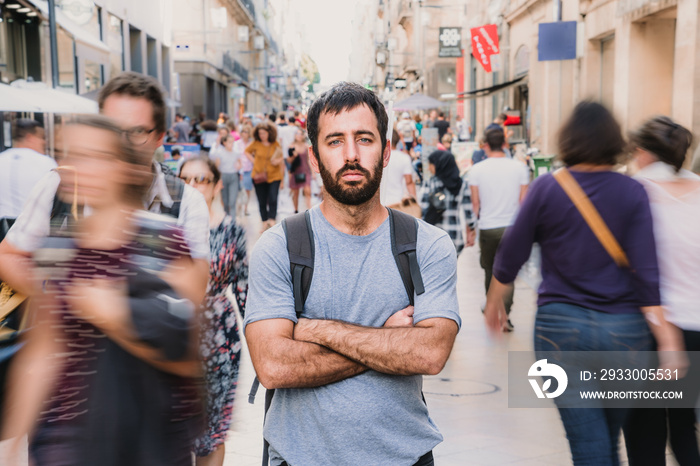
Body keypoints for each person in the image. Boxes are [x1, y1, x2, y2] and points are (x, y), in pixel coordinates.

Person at [244, 81, 460, 466]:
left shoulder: (426, 245)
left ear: (387, 150)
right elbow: (274, 365)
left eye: (364, 139)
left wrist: (315, 330)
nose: (351, 155)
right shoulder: (280, 247)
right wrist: (389, 342)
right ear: (313, 157)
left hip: (403, 457)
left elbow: (429, 353)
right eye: (335, 141)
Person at [484, 102, 684, 465]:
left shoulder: (547, 187)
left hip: (559, 332)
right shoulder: (632, 191)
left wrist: (495, 299)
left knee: (591, 443)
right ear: (614, 141)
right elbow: (647, 273)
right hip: (625, 336)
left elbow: (511, 251)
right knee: (605, 440)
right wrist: (669, 339)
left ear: (569, 139)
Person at [2, 115, 205, 465]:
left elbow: (189, 356)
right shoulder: (57, 245)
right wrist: (12, 444)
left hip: (145, 436)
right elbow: (45, 348)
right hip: (67, 436)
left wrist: (119, 317)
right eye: (70, 155)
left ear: (123, 168)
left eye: (94, 156)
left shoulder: (163, 240)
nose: (78, 167)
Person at [0, 71, 210, 321]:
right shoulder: (59, 184)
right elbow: (9, 255)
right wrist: (59, 299)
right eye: (112, 129)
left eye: (137, 132)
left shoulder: (187, 202)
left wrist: (106, 312)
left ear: (159, 137)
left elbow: (193, 295)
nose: (123, 144)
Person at [623, 117, 700, 466]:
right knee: (685, 425)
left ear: (641, 152)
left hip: (648, 327)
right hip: (696, 327)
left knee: (644, 431)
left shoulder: (634, 190)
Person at [179, 157, 248, 466]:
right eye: (185, 180)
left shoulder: (232, 230)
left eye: (201, 180)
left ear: (217, 185)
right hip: (173, 330)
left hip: (218, 335)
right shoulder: (166, 227)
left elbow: (245, 292)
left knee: (212, 432)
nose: (192, 187)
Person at [469, 127, 529, 330]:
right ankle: (506, 317)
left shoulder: (476, 170)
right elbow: (524, 202)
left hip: (488, 227)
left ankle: (494, 312)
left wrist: (473, 226)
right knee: (508, 273)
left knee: (489, 271)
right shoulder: (519, 168)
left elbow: (475, 205)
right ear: (505, 144)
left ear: (486, 145)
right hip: (513, 228)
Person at [0, 119, 55, 227]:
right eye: (41, 137)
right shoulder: (46, 163)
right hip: (33, 229)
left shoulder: (1, 160)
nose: (44, 142)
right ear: (29, 137)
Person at [419, 150, 474, 255]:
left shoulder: (430, 183)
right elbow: (469, 212)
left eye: (431, 164)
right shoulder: (462, 184)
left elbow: (423, 209)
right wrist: (471, 229)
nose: (429, 168)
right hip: (455, 237)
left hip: (434, 239)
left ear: (440, 164)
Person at [245, 122, 284, 231]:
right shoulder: (256, 143)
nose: (262, 135)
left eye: (264, 133)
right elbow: (246, 151)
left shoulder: (275, 143)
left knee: (273, 197)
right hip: (259, 175)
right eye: (260, 133)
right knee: (261, 200)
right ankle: (264, 221)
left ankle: (272, 220)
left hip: (274, 175)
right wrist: (254, 161)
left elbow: (281, 156)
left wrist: (277, 161)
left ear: (269, 133)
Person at [381, 129, 418, 215]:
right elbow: (409, 182)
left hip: (381, 202)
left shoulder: (378, 158)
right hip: (398, 202)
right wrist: (414, 200)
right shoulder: (404, 158)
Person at [210, 135, 240, 217]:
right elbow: (217, 166)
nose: (232, 144)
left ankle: (233, 221)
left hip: (233, 176)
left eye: (233, 142)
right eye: (229, 142)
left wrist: (238, 167)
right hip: (223, 176)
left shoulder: (236, 153)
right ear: (225, 142)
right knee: (225, 201)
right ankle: (227, 217)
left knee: (232, 201)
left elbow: (240, 163)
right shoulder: (220, 153)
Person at [286, 128, 312, 213]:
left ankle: (310, 209)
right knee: (296, 193)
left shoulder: (306, 145)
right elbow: (289, 161)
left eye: (300, 134)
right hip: (295, 172)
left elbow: (308, 159)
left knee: (307, 191)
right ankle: (296, 210)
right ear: (295, 135)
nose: (299, 136)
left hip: (305, 171)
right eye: (297, 134)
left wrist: (313, 172)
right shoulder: (291, 146)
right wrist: (294, 156)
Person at [235, 125, 254, 216]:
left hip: (249, 168)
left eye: (246, 132)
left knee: (247, 189)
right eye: (243, 131)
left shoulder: (252, 144)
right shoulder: (237, 143)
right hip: (239, 169)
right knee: (239, 189)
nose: (244, 134)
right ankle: (239, 206)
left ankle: (246, 207)